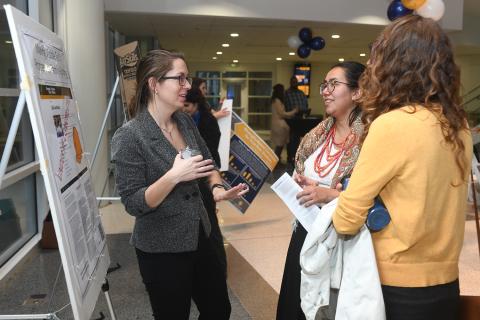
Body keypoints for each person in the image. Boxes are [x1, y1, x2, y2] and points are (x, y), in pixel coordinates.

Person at [332, 15, 472, 320]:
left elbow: (346, 220)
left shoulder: (393, 125)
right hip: (446, 283)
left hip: (393, 287)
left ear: (393, 65)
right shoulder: (458, 124)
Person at [111, 49, 248, 320]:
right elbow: (135, 203)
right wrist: (173, 176)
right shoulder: (130, 136)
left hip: (202, 234)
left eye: (188, 78)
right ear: (154, 84)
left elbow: (208, 162)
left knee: (219, 309)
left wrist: (217, 189)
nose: (188, 86)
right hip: (162, 249)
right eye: (180, 78)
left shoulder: (184, 122)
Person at [276, 61, 366, 320]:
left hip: (343, 239)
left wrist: (330, 195)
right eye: (324, 85)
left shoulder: (370, 139)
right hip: (305, 233)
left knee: (329, 308)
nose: (325, 91)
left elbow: (374, 197)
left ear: (357, 93)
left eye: (334, 84)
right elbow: (301, 172)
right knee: (297, 305)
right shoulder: (315, 136)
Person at [184, 86, 227, 276]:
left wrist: (216, 185)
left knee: (210, 221)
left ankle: (218, 269)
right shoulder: (184, 121)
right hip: (194, 175)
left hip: (206, 172)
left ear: (195, 105)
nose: (184, 108)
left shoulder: (206, 120)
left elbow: (209, 150)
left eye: (187, 105)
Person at [284, 76, 309, 165]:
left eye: (296, 82)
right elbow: (284, 108)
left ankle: (297, 157)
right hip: (290, 120)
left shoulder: (301, 93)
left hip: (300, 119)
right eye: (293, 82)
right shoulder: (286, 93)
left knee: (298, 139)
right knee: (291, 139)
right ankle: (289, 157)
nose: (294, 83)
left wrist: (305, 110)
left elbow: (306, 105)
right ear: (290, 82)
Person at [270, 83, 298, 161]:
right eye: (282, 90)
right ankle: (275, 162)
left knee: (280, 145)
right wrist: (294, 111)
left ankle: (277, 161)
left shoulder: (276, 100)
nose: (284, 92)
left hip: (278, 125)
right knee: (279, 145)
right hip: (279, 126)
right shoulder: (277, 101)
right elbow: (282, 114)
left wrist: (291, 114)